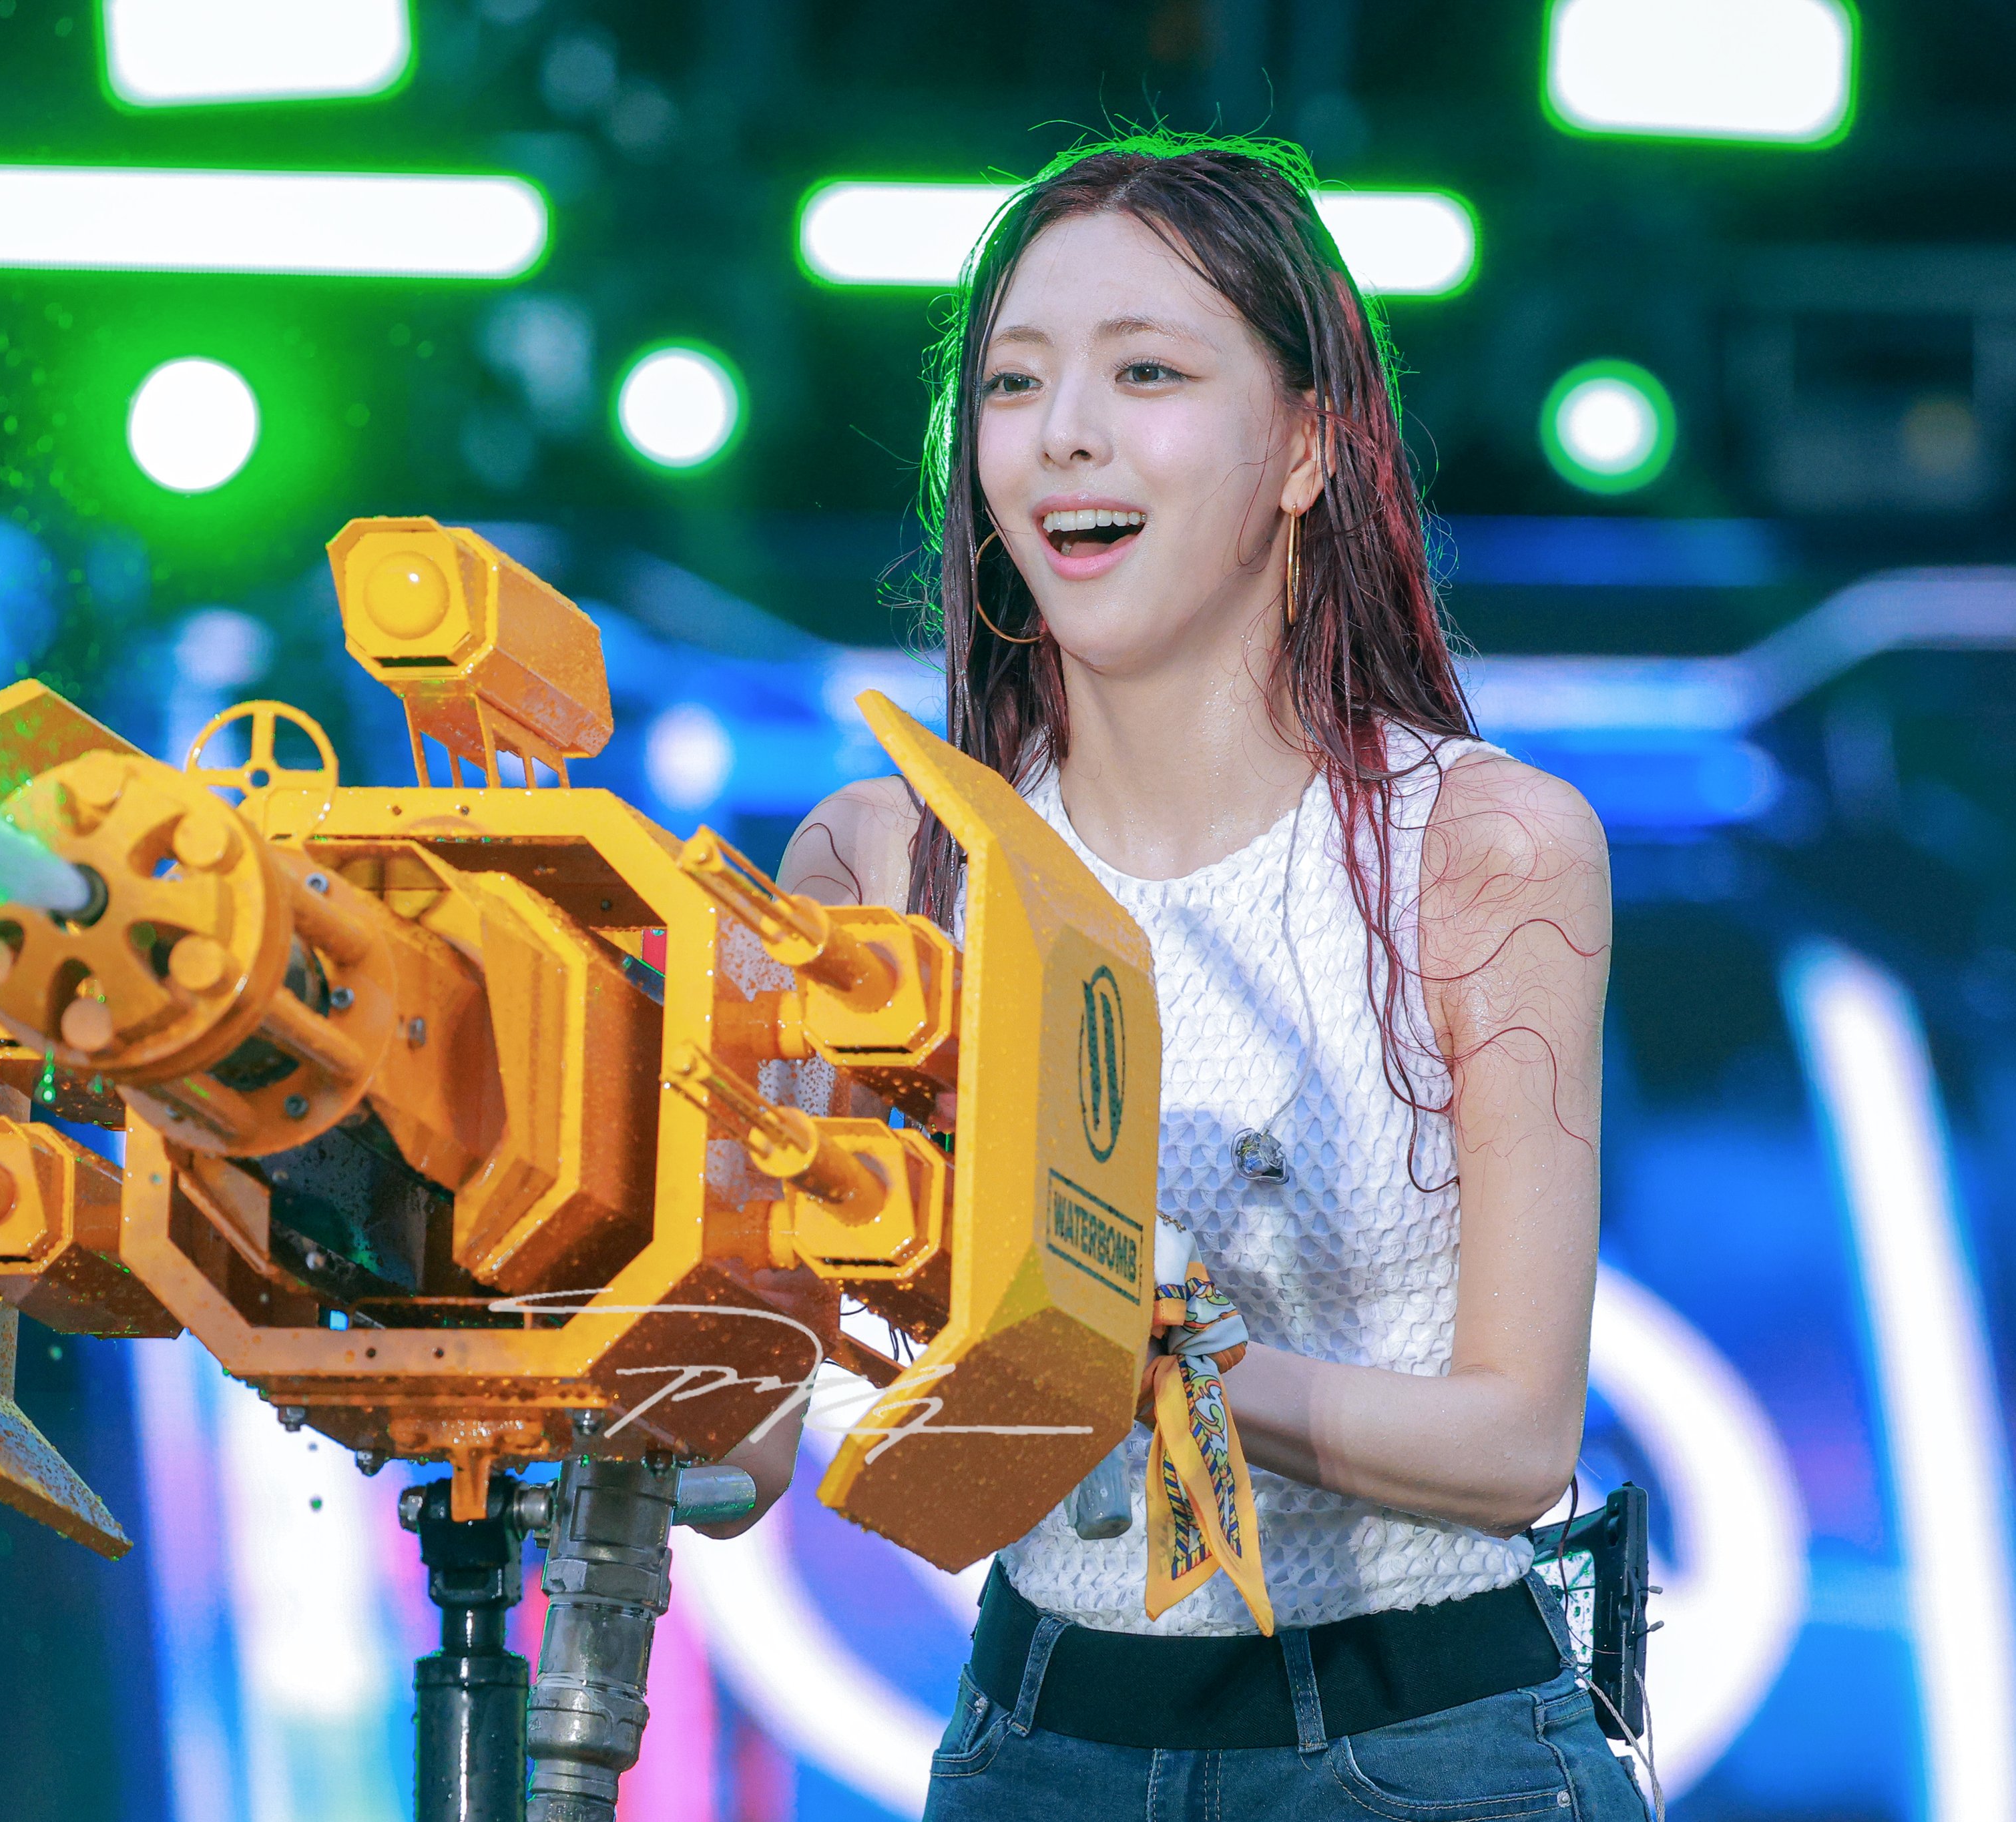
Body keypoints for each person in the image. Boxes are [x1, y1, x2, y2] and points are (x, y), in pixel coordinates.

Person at [776, 132, 1641, 1818]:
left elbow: (1515, 1443)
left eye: (1145, 372)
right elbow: (731, 1449)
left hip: (1425, 1751)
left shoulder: (1485, 848)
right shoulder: (880, 862)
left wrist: (1131, 1347)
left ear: (1306, 446)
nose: (1062, 432)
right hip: (1036, 1743)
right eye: (1011, 384)